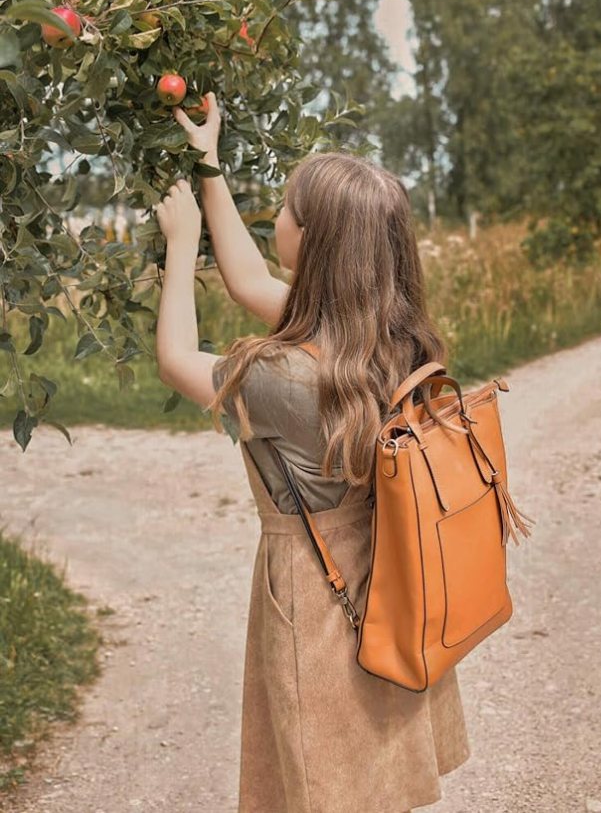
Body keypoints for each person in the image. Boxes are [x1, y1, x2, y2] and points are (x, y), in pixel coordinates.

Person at [155, 92, 471, 813]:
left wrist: (178, 245)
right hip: (386, 574)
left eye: (288, 209)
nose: (278, 218)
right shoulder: (389, 341)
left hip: (316, 591)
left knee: (317, 770)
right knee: (368, 764)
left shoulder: (280, 377)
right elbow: (246, 281)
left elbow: (175, 356)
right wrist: (208, 165)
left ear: (314, 241)